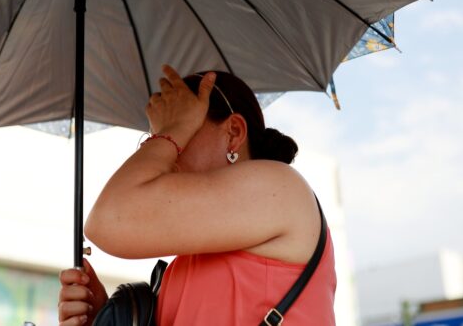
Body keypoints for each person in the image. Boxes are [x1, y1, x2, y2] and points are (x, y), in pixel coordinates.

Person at [58, 65, 336, 325]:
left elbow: (108, 221)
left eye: (182, 132)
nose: (167, 153)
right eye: (156, 138)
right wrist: (107, 316)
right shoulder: (183, 267)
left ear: (234, 132)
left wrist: (172, 130)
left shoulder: (279, 187)